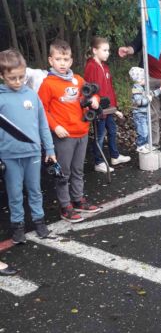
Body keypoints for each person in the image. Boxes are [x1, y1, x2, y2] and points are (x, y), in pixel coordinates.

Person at [118, 0, 161, 161]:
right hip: (148, 77)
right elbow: (137, 44)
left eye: (156, 8)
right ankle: (154, 144)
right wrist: (128, 50)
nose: (151, 12)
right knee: (152, 113)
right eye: (150, 9)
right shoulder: (147, 25)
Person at [39, 39, 100, 223]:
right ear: (51, 60)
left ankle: (78, 199)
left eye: (66, 59)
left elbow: (92, 93)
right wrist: (55, 126)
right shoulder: (48, 83)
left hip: (82, 131)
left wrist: (95, 100)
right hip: (64, 135)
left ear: (71, 61)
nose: (62, 63)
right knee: (62, 172)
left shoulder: (78, 79)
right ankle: (65, 206)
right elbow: (41, 110)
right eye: (58, 59)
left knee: (78, 169)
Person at [0, 49, 56, 247]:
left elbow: (42, 124)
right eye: (12, 78)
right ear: (2, 75)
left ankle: (39, 221)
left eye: (21, 77)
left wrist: (50, 149)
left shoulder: (32, 95)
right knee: (14, 192)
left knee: (35, 189)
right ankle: (18, 226)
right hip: (9, 155)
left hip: (32, 153)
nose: (18, 82)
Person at [84, 36, 130, 173]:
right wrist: (94, 105)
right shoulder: (91, 66)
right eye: (104, 50)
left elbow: (109, 90)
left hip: (108, 107)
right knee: (99, 135)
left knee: (112, 130)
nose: (107, 53)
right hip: (98, 108)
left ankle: (114, 156)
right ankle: (98, 162)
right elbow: (88, 89)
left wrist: (114, 108)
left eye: (108, 50)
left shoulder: (105, 67)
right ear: (95, 50)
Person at [129, 66, 152, 153]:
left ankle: (145, 144)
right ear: (139, 79)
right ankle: (140, 146)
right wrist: (148, 99)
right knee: (143, 131)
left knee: (147, 130)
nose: (147, 80)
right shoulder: (136, 89)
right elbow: (139, 102)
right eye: (144, 78)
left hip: (144, 113)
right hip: (139, 114)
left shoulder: (142, 88)